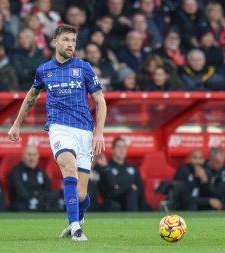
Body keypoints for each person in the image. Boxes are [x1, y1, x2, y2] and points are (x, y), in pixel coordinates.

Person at [8, 24, 106, 241]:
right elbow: (31, 96)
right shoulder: (44, 69)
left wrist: (99, 132)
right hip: (59, 127)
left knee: (81, 194)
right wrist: (16, 124)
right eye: (66, 40)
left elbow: (100, 101)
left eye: (73, 40)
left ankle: (77, 220)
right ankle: (76, 230)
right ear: (55, 42)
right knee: (68, 167)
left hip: (85, 132)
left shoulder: (84, 68)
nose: (70, 44)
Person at [96, 138, 148, 212]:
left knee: (144, 204)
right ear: (112, 150)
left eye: (124, 147)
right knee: (128, 193)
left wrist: (121, 187)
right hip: (114, 201)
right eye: (118, 147)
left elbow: (140, 190)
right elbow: (111, 191)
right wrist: (129, 186)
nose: (122, 150)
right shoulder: (106, 167)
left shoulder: (132, 168)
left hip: (132, 200)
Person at [9, 146, 58, 212]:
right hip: (24, 205)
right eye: (29, 155)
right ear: (23, 157)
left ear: (38, 157)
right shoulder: (16, 172)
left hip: (41, 203)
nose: (32, 158)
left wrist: (42, 197)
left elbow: (48, 190)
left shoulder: (41, 172)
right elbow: (20, 192)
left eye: (34, 155)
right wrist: (38, 197)